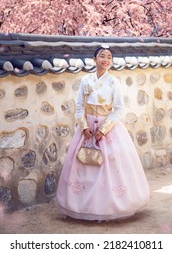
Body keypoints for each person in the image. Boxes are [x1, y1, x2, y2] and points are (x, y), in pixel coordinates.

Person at [57, 45, 150, 221]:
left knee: (111, 165)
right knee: (83, 163)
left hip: (108, 128)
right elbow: (79, 106)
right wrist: (84, 127)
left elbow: (119, 109)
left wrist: (104, 129)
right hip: (87, 128)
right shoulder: (86, 80)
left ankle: (111, 206)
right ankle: (81, 206)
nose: (105, 59)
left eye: (109, 57)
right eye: (102, 56)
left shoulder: (114, 82)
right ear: (94, 60)